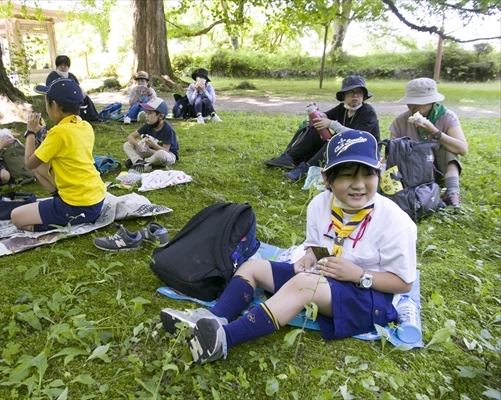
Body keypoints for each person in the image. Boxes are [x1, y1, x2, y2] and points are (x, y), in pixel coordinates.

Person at [160, 130, 417, 365]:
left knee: (303, 285)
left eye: (367, 174)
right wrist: (309, 257)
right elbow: (317, 246)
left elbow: (404, 284)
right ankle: (212, 319)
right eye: (348, 175)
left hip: (369, 296)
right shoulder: (320, 204)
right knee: (252, 267)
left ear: (379, 173)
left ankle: (222, 339)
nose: (359, 184)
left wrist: (359, 275)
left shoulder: (396, 222)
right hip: (325, 278)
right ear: (327, 178)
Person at [10, 78, 106, 231]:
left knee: (16, 217)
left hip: (78, 206)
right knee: (40, 168)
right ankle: (60, 203)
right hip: (96, 198)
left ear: (54, 105)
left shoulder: (58, 133)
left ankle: (60, 218)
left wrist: (30, 132)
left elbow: (29, 162)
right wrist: (47, 141)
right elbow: (65, 151)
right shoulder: (85, 125)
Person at [264, 75, 380, 183]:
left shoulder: (367, 111)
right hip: (346, 148)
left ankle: (305, 169)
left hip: (364, 152)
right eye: (351, 92)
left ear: (364, 96)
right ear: (344, 96)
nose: (355, 96)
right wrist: (314, 112)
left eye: (359, 92)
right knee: (316, 130)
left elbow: (359, 137)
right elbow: (324, 117)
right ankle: (289, 158)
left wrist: (332, 124)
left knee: (335, 139)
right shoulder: (342, 108)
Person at [389, 78, 468, 211]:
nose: (411, 107)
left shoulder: (447, 117)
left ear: (431, 101)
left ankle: (452, 192)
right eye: (410, 102)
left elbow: (462, 149)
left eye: (417, 102)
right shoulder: (401, 120)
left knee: (448, 149)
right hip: (411, 171)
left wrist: (435, 132)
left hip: (437, 169)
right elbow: (392, 151)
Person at [122, 98, 179, 173]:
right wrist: (138, 145)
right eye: (146, 113)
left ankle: (142, 162)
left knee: (161, 155)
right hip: (151, 151)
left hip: (168, 154)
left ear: (160, 116)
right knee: (127, 145)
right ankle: (138, 161)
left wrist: (154, 145)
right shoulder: (148, 125)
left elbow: (165, 150)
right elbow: (131, 137)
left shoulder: (168, 129)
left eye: (150, 113)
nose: (146, 116)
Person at [45, 55, 102, 123]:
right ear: (57, 66)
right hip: (60, 98)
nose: (63, 67)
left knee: (86, 99)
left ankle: (93, 117)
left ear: (68, 66)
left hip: (72, 96)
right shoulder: (52, 76)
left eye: (65, 65)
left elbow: (77, 86)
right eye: (61, 65)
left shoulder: (71, 76)